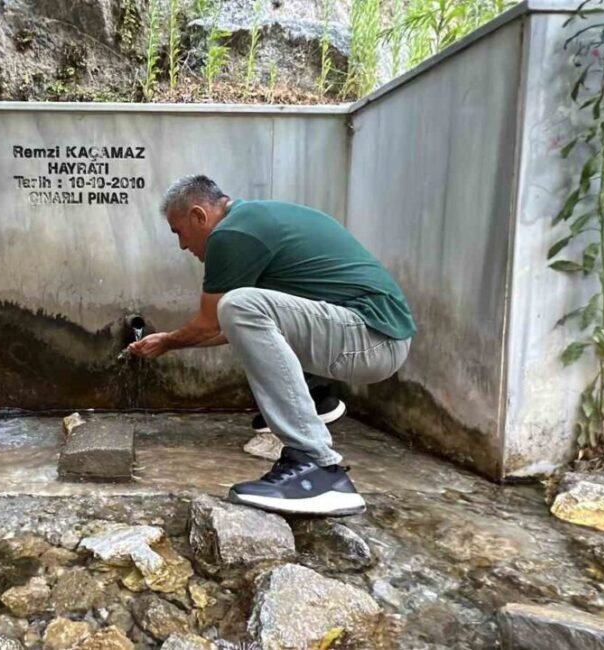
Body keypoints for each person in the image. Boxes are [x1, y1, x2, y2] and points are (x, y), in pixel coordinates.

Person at [129, 176, 416, 516]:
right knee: (241, 309)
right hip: (370, 336)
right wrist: (172, 342)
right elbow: (236, 327)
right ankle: (316, 401)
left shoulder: (232, 233)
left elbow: (213, 322)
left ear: (198, 216)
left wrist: (167, 341)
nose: (182, 245)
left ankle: (317, 468)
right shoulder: (257, 220)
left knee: (238, 304)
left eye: (178, 232)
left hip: (372, 337)